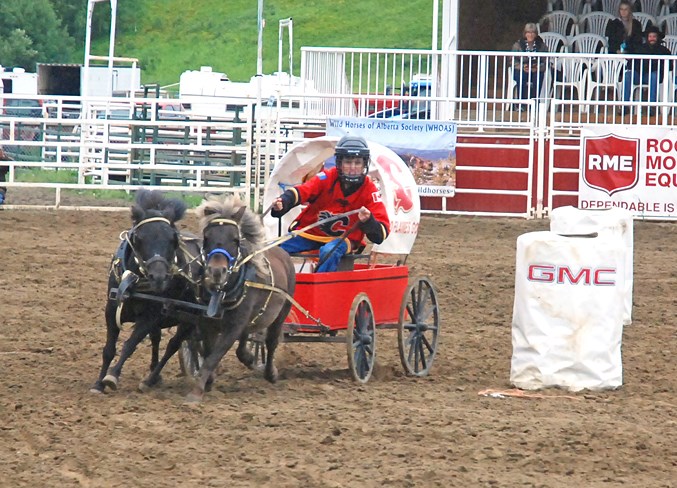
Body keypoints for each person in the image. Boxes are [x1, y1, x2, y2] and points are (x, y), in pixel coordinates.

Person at [271, 135, 390, 273]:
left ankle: (318, 287)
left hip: (344, 239)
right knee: (273, 250)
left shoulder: (369, 189)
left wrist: (368, 221)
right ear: (339, 163)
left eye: (357, 163)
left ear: (364, 165)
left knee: (329, 251)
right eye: (348, 162)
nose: (352, 168)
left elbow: (381, 233)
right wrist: (283, 202)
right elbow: (303, 191)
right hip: (311, 234)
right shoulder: (326, 178)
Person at [623, 25, 671, 111]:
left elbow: (669, 66)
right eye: (650, 36)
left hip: (653, 77)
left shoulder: (664, 50)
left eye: (654, 36)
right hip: (639, 75)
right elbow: (631, 63)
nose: (652, 38)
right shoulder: (640, 49)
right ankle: (625, 105)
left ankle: (652, 106)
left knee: (654, 75)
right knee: (628, 75)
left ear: (658, 38)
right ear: (647, 37)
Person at [511, 23, 549, 111]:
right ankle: (521, 104)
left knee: (538, 78)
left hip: (536, 70)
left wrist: (538, 67)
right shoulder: (518, 45)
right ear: (525, 33)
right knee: (521, 77)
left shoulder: (542, 45)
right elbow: (512, 60)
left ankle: (535, 103)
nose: (530, 35)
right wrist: (522, 67)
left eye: (532, 32)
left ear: (536, 34)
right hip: (521, 69)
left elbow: (546, 60)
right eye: (528, 32)